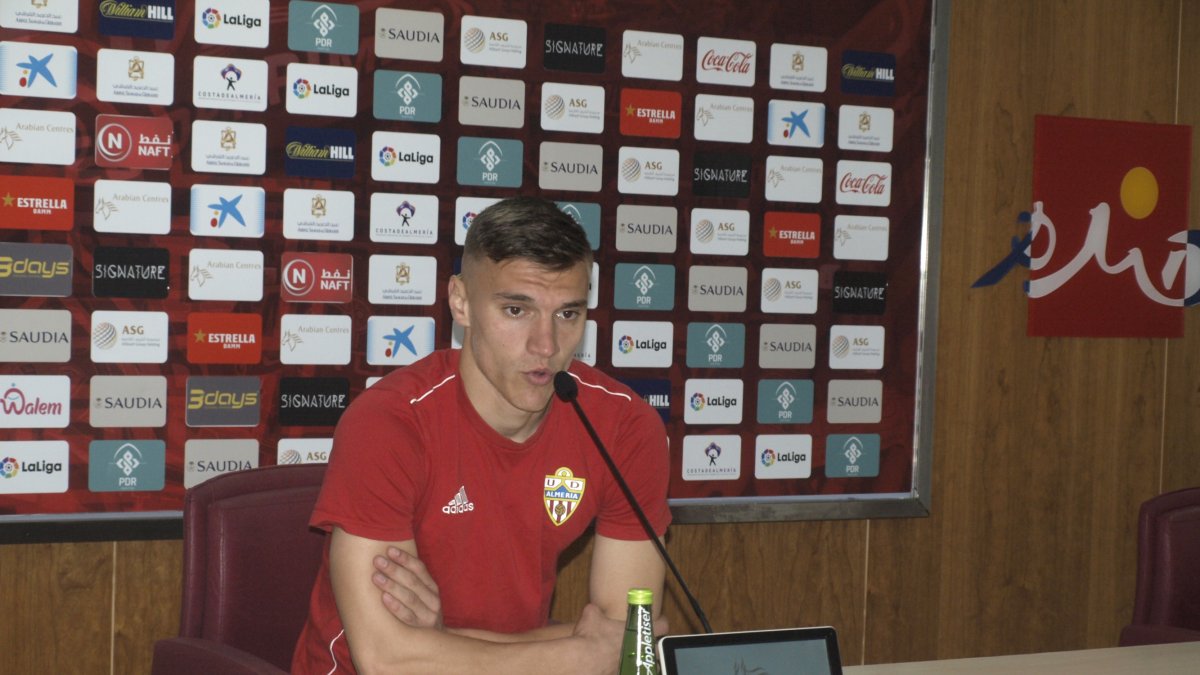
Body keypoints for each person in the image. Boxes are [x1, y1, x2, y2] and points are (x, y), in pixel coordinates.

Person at [292, 196, 671, 674]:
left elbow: (629, 643)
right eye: (516, 310)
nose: (546, 345)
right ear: (461, 301)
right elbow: (388, 661)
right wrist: (578, 652)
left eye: (568, 314)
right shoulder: (389, 423)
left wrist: (441, 643)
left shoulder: (625, 426)